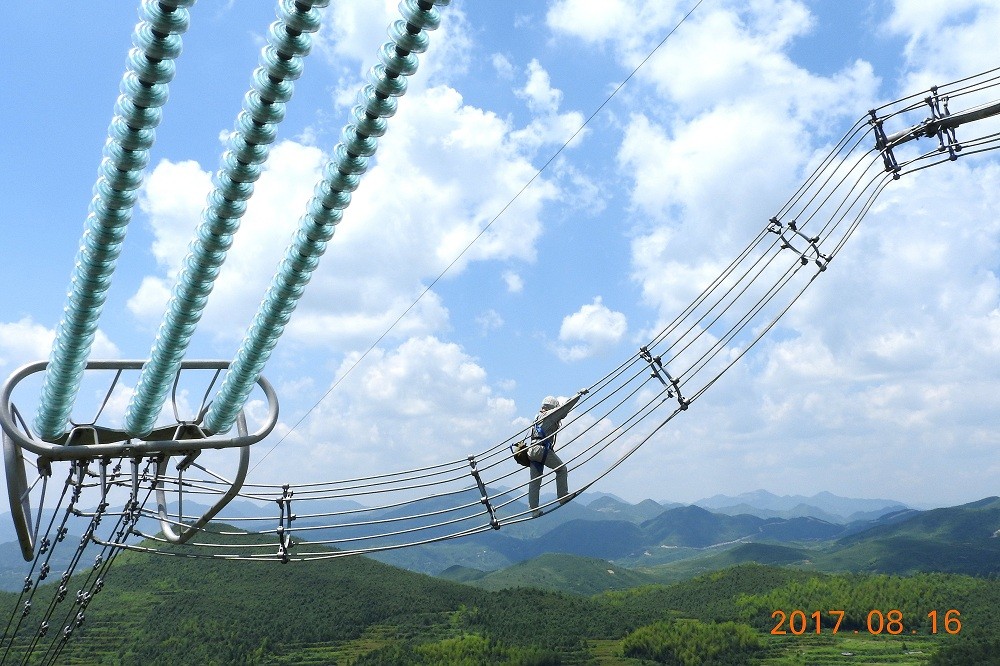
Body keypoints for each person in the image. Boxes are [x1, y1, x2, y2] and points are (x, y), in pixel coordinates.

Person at [527, 388, 588, 517]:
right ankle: (562, 496)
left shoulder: (537, 417)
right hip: (541, 449)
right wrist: (578, 395)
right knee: (562, 469)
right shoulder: (549, 415)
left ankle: (534, 510)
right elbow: (564, 409)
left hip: (532, 450)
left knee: (535, 481)